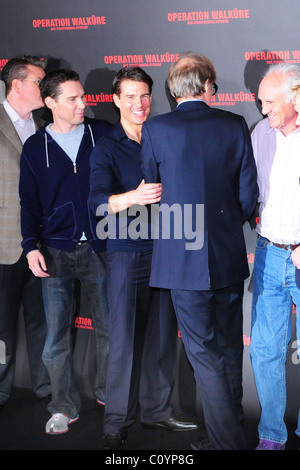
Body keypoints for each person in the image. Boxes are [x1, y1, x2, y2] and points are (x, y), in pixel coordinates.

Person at [140, 52, 258, 450]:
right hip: (226, 257)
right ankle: (225, 433)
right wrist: (221, 227)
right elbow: (248, 197)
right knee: (225, 352)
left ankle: (227, 444)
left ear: (173, 91)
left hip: (181, 259)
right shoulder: (235, 124)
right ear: (207, 86)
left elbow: (151, 192)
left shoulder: (155, 129)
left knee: (204, 355)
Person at [89, 66, 199, 450]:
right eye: (130, 96)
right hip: (126, 253)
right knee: (123, 340)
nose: (139, 104)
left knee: (163, 337)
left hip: (168, 250)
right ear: (116, 99)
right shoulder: (106, 146)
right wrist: (132, 197)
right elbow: (96, 204)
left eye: (145, 96)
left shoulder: (165, 135)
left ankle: (157, 411)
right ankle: (116, 420)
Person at [19, 69, 111, 434]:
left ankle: (109, 394)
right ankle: (61, 406)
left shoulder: (101, 134)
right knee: (55, 336)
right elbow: (29, 203)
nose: (82, 103)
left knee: (110, 329)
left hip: (102, 249)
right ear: (50, 102)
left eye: (83, 96)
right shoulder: (34, 147)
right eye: (72, 98)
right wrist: (29, 247)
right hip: (55, 252)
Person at [250, 62, 300, 450]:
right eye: (261, 100)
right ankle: (271, 435)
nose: (263, 108)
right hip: (268, 255)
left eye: (270, 101)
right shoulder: (260, 134)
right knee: (265, 350)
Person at [0, 56, 51, 408]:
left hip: (43, 242)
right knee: (1, 328)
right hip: (3, 245)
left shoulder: (47, 123)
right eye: (39, 81)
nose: (45, 89)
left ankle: (49, 390)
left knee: (43, 323)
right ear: (17, 84)